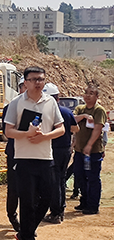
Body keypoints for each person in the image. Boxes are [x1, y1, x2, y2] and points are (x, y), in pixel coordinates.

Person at [5, 66, 64, 240]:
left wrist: (45, 136)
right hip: (24, 159)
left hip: (46, 158)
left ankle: (24, 233)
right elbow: (8, 131)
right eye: (34, 79)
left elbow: (61, 128)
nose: (38, 83)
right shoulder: (16, 103)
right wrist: (27, 134)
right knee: (27, 203)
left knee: (46, 199)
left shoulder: (50, 102)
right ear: (26, 82)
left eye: (41, 79)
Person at [42, 83, 78, 224]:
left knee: (54, 181)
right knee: (61, 180)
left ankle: (56, 213)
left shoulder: (47, 112)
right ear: (58, 98)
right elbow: (76, 128)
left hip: (53, 150)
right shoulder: (67, 112)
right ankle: (60, 209)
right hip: (65, 150)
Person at [72, 84, 107, 215]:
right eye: (86, 93)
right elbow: (72, 120)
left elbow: (98, 129)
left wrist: (89, 145)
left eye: (91, 93)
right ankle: (84, 201)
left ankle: (93, 205)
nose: (87, 95)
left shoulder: (99, 110)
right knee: (79, 175)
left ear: (97, 96)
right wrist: (84, 116)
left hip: (93, 151)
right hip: (79, 150)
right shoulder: (80, 108)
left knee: (92, 178)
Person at [1, 76, 26, 232]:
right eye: (24, 86)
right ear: (20, 88)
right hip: (15, 153)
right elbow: (7, 132)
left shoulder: (40, 106)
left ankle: (27, 222)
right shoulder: (10, 107)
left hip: (33, 153)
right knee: (14, 188)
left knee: (31, 189)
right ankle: (12, 215)